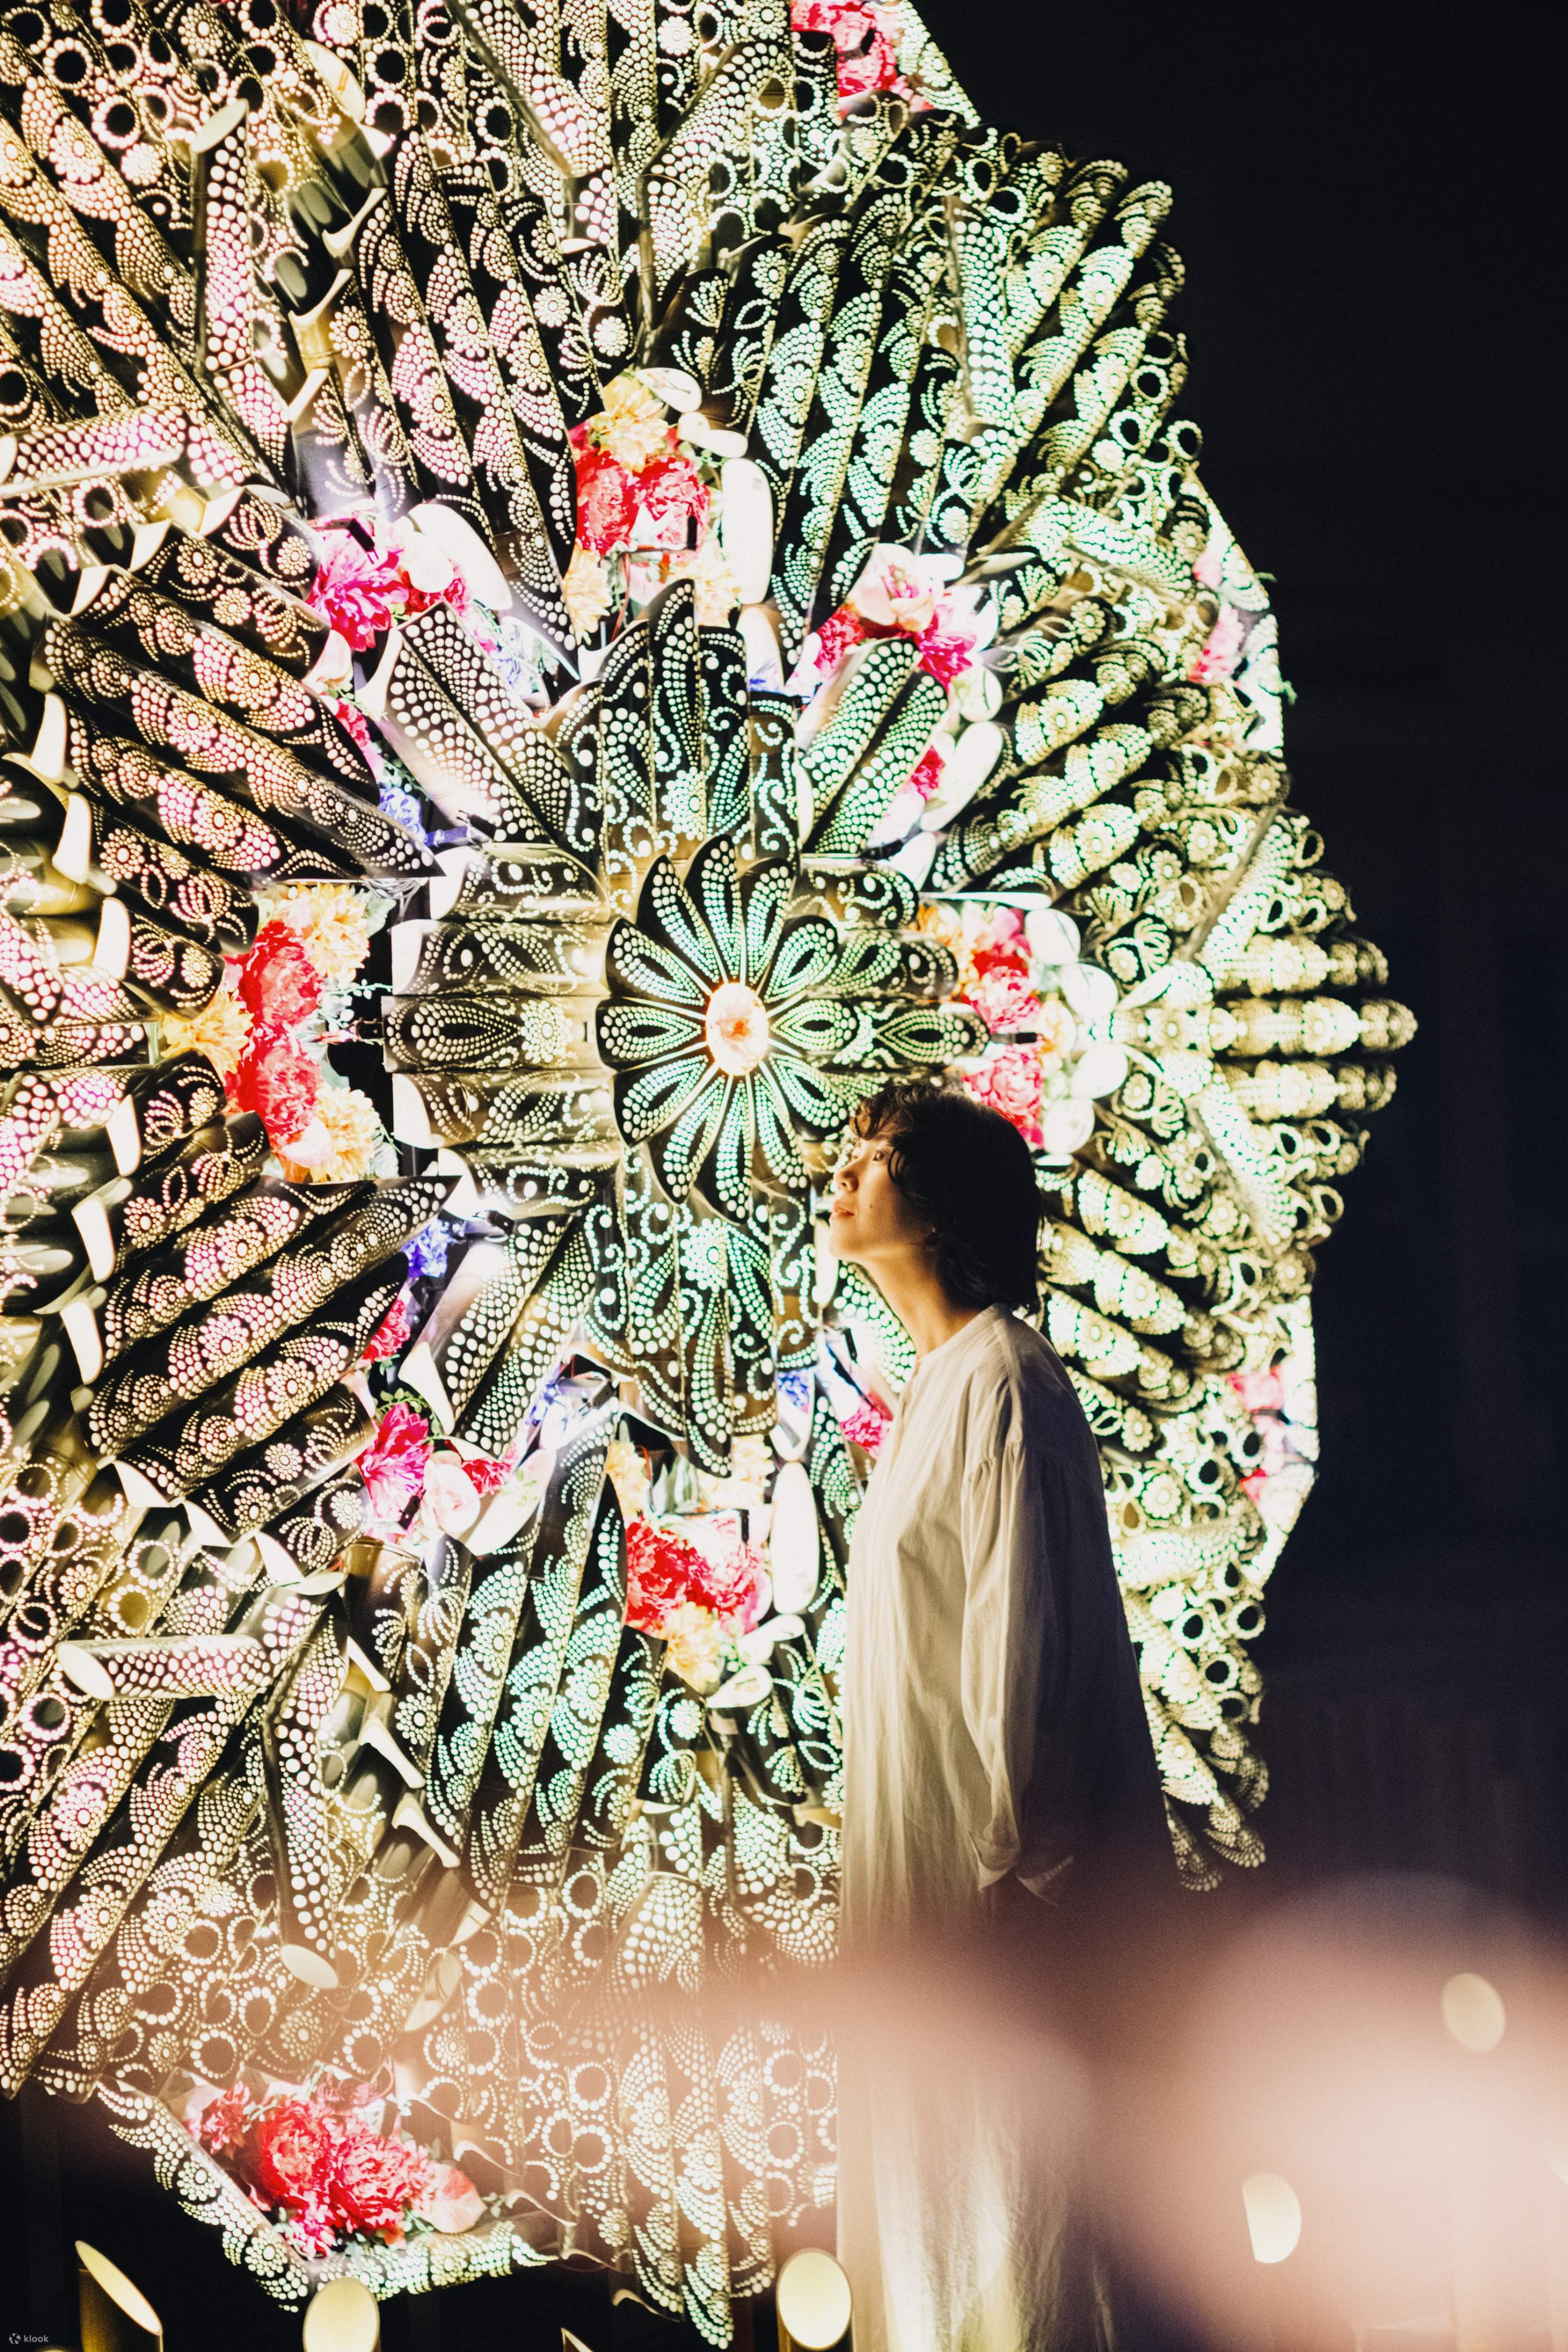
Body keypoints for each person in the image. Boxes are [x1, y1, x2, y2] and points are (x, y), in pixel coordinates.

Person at [826, 1079, 1168, 2352]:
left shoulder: (1007, 1386)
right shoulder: (935, 1392)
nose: (848, 1170)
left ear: (943, 1204)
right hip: (927, 1898)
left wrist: (1008, 1888)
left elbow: (1022, 1658)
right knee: (940, 2222)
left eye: (882, 1155)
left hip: (992, 1912)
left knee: (1016, 2225)